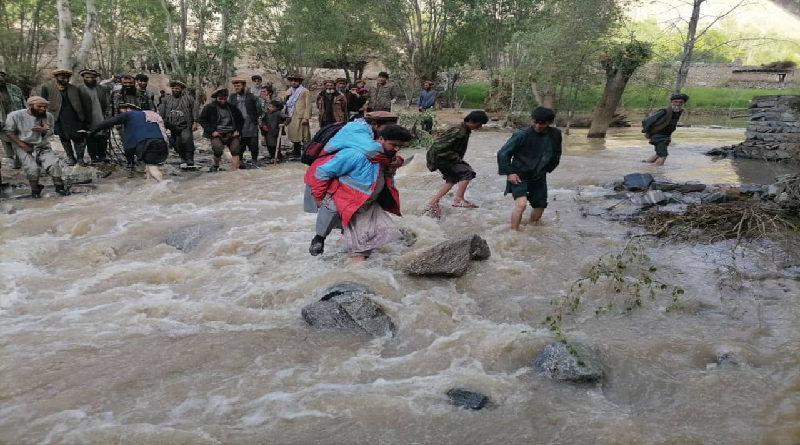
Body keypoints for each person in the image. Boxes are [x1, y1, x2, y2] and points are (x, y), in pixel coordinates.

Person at [305, 123, 412, 262]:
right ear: (380, 139)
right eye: (393, 145)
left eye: (400, 146)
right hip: (351, 204)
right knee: (360, 249)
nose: (396, 149)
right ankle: (354, 277)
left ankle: (362, 268)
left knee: (387, 233)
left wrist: (397, 161)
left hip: (369, 204)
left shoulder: (387, 156)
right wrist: (318, 197)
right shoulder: (356, 155)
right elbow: (322, 172)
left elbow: (392, 162)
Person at [497, 106, 562, 230]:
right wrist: (510, 173)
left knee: (540, 205)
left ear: (549, 123)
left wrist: (548, 168)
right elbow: (503, 153)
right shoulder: (521, 134)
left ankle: (531, 229)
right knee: (521, 205)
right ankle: (513, 232)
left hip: (539, 175)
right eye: (535, 122)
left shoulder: (555, 134)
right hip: (518, 174)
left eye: (542, 124)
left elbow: (557, 153)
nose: (537, 126)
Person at [424, 110, 488, 217]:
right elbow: (439, 148)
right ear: (471, 121)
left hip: (443, 156)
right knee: (467, 172)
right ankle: (458, 199)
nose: (479, 127)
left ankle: (433, 203)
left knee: (452, 178)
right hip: (441, 157)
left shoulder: (464, 129)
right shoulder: (459, 131)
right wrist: (457, 158)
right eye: (479, 124)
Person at [5, 96, 71, 197]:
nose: (42, 109)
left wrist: (44, 130)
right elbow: (9, 133)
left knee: (54, 164)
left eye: (44, 107)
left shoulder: (48, 116)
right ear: (30, 106)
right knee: (32, 169)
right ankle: (35, 191)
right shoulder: (15, 115)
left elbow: (51, 133)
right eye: (39, 106)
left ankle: (60, 188)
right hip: (22, 145)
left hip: (42, 145)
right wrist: (23, 145)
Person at [87, 103, 169, 181]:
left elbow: (109, 122)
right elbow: (166, 125)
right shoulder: (150, 115)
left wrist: (92, 130)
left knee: (153, 169)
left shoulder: (129, 115)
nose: (121, 112)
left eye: (123, 109)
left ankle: (163, 185)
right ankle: (151, 184)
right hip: (161, 142)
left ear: (129, 109)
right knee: (149, 165)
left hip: (146, 143)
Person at [40, 69, 92, 166]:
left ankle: (80, 158)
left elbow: (85, 104)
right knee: (64, 137)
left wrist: (85, 118)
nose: (66, 80)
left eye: (68, 78)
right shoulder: (47, 87)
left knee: (78, 137)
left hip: (74, 117)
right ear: (56, 78)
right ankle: (70, 157)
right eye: (63, 78)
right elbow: (42, 103)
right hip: (58, 117)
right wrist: (44, 119)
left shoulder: (75, 88)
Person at [198, 88, 244, 172]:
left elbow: (241, 120)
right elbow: (202, 120)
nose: (223, 101)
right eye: (220, 99)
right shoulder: (209, 108)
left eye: (224, 98)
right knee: (217, 149)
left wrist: (238, 130)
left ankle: (235, 172)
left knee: (236, 150)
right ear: (216, 98)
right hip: (217, 133)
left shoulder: (232, 108)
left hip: (232, 133)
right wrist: (212, 131)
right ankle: (216, 164)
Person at [158, 80, 198, 167]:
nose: (175, 90)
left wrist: (195, 122)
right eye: (173, 88)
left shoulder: (189, 98)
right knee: (177, 142)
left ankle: (190, 159)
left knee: (187, 140)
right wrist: (163, 124)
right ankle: (182, 158)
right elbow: (162, 113)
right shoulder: (166, 99)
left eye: (177, 88)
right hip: (172, 125)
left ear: (181, 89)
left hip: (186, 124)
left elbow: (194, 110)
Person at [642, 93, 689, 166]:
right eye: (675, 102)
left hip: (666, 136)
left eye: (680, 102)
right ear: (671, 102)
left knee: (659, 154)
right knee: (663, 156)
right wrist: (647, 132)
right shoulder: (664, 111)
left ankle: (646, 165)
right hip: (658, 136)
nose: (678, 104)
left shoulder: (678, 111)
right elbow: (647, 121)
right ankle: (657, 174)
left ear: (683, 103)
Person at [77, 69, 112, 164]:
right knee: (90, 136)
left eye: (92, 77)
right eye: (87, 77)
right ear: (83, 78)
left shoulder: (102, 88)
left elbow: (108, 102)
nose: (90, 79)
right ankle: (93, 156)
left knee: (103, 136)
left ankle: (102, 155)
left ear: (95, 78)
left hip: (101, 115)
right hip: (87, 117)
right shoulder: (79, 89)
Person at [229, 77, 262, 165]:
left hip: (250, 124)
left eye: (238, 86)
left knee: (253, 144)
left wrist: (253, 118)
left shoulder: (252, 97)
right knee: (239, 144)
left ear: (244, 86)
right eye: (235, 86)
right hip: (237, 125)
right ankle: (240, 161)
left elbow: (258, 110)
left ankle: (254, 160)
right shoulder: (232, 97)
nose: (236, 87)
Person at [0, 70, 26, 169]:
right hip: (1, 119)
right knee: (4, 138)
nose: (0, 77)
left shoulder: (14, 89)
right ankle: (11, 157)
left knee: (16, 138)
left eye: (2, 76)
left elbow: (23, 102)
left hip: (15, 117)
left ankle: (18, 159)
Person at [283, 72, 311, 157]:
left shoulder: (304, 91)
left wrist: (306, 117)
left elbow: (308, 105)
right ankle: (296, 151)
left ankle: (307, 153)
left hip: (301, 116)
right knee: (294, 134)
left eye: (295, 81)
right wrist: (285, 96)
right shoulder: (289, 91)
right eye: (292, 81)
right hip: (291, 115)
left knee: (304, 135)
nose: (293, 82)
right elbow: (285, 103)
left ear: (299, 82)